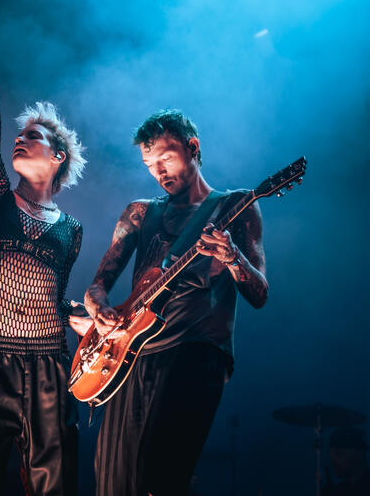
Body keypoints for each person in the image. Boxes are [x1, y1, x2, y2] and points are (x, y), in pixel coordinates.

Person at [69, 110, 269, 495]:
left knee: (160, 478)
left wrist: (231, 258)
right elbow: (97, 286)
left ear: (193, 148)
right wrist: (98, 308)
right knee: (113, 481)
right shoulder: (141, 212)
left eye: (165, 158)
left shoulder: (236, 206)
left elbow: (259, 294)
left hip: (195, 352)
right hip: (129, 358)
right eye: (149, 165)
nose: (158, 171)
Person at [0, 3, 86, 496]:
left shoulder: (71, 229)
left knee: (55, 487)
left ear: (58, 156)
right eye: (20, 136)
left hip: (49, 366)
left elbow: (55, 299)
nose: (20, 141)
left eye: (34, 137)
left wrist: (82, 316)